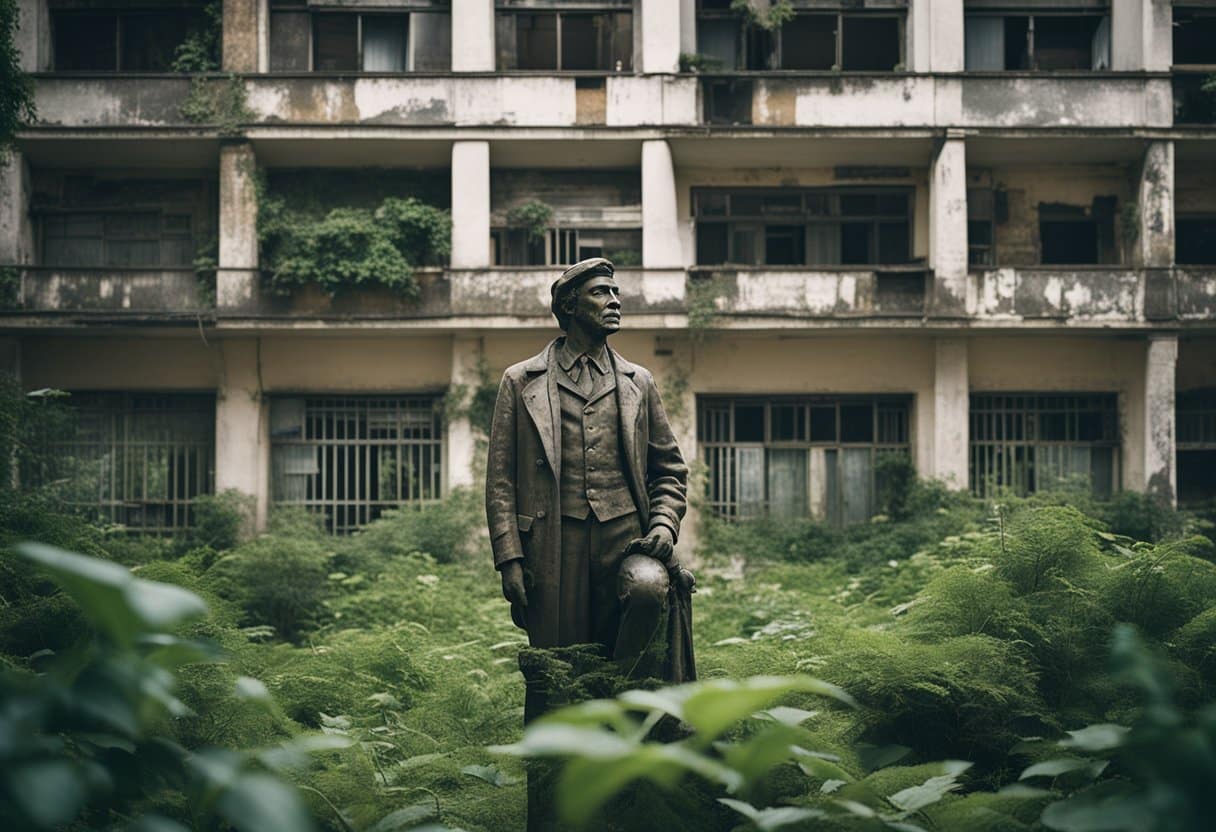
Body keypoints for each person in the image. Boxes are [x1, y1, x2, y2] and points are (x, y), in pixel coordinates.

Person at [485, 257, 695, 717]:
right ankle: (557, 772)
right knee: (556, 672)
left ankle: (622, 717)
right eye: (601, 293)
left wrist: (663, 524)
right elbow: (500, 480)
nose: (615, 300)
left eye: (616, 292)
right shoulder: (521, 381)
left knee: (646, 591)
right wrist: (510, 559)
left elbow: (670, 469)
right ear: (569, 305)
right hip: (553, 546)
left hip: (626, 537)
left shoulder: (639, 381)